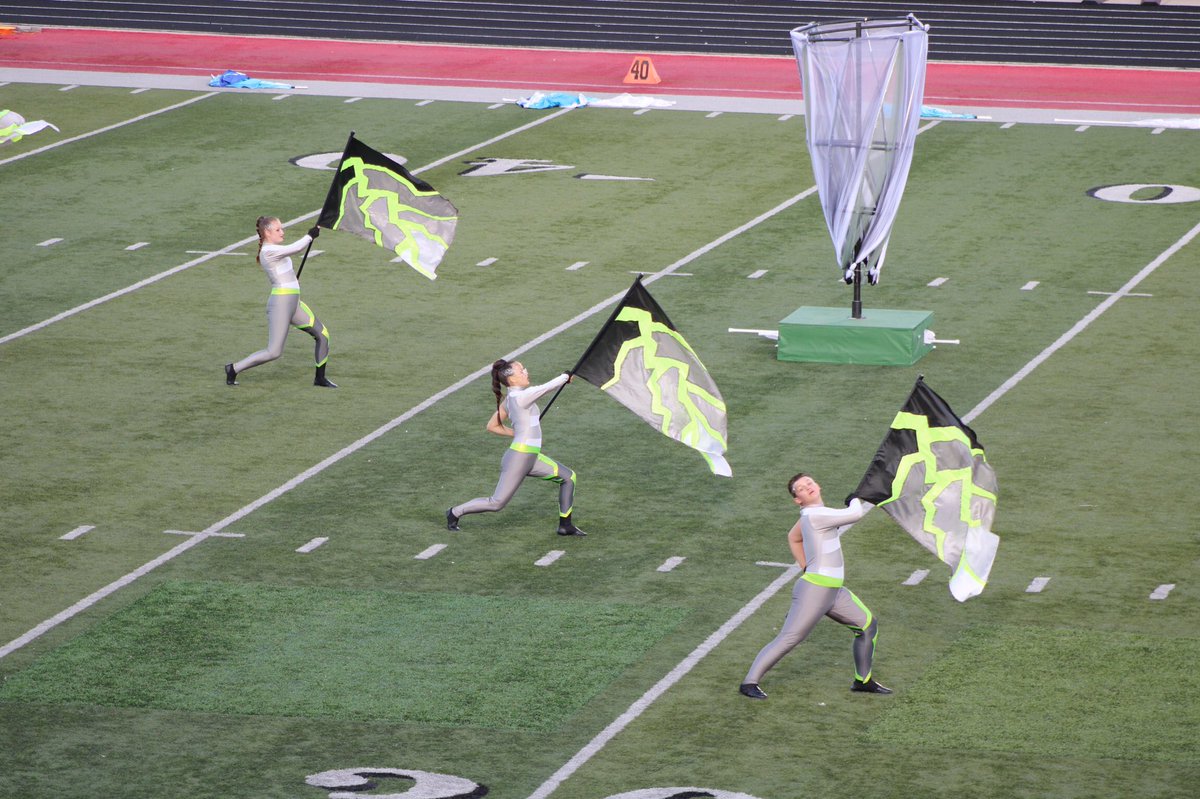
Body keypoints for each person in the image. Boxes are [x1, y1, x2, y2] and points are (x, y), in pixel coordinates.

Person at [739, 472, 891, 699]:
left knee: (867, 625)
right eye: (801, 488)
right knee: (790, 638)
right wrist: (854, 499)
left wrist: (805, 566)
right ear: (797, 500)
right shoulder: (815, 515)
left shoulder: (812, 515)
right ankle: (749, 683)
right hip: (815, 591)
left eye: (809, 482)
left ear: (818, 485)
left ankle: (863, 680)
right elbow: (856, 514)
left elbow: (793, 537)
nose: (807, 487)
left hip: (834, 592)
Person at [446, 359, 586, 536]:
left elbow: (492, 426)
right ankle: (454, 512)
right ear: (511, 379)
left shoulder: (512, 399)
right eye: (521, 370)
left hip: (531, 457)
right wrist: (565, 377)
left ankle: (565, 526)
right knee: (496, 503)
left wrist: (518, 432)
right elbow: (545, 388)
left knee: (568, 477)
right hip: (519, 458)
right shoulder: (520, 397)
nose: (526, 372)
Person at [225, 216, 337, 388]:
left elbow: (285, 272)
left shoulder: (275, 249)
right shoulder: (267, 251)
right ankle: (233, 368)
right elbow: (296, 248)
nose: (282, 232)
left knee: (323, 335)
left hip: (294, 303)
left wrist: (294, 282)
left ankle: (320, 378)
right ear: (267, 232)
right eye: (278, 229)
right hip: (281, 305)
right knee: (274, 352)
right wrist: (310, 236)